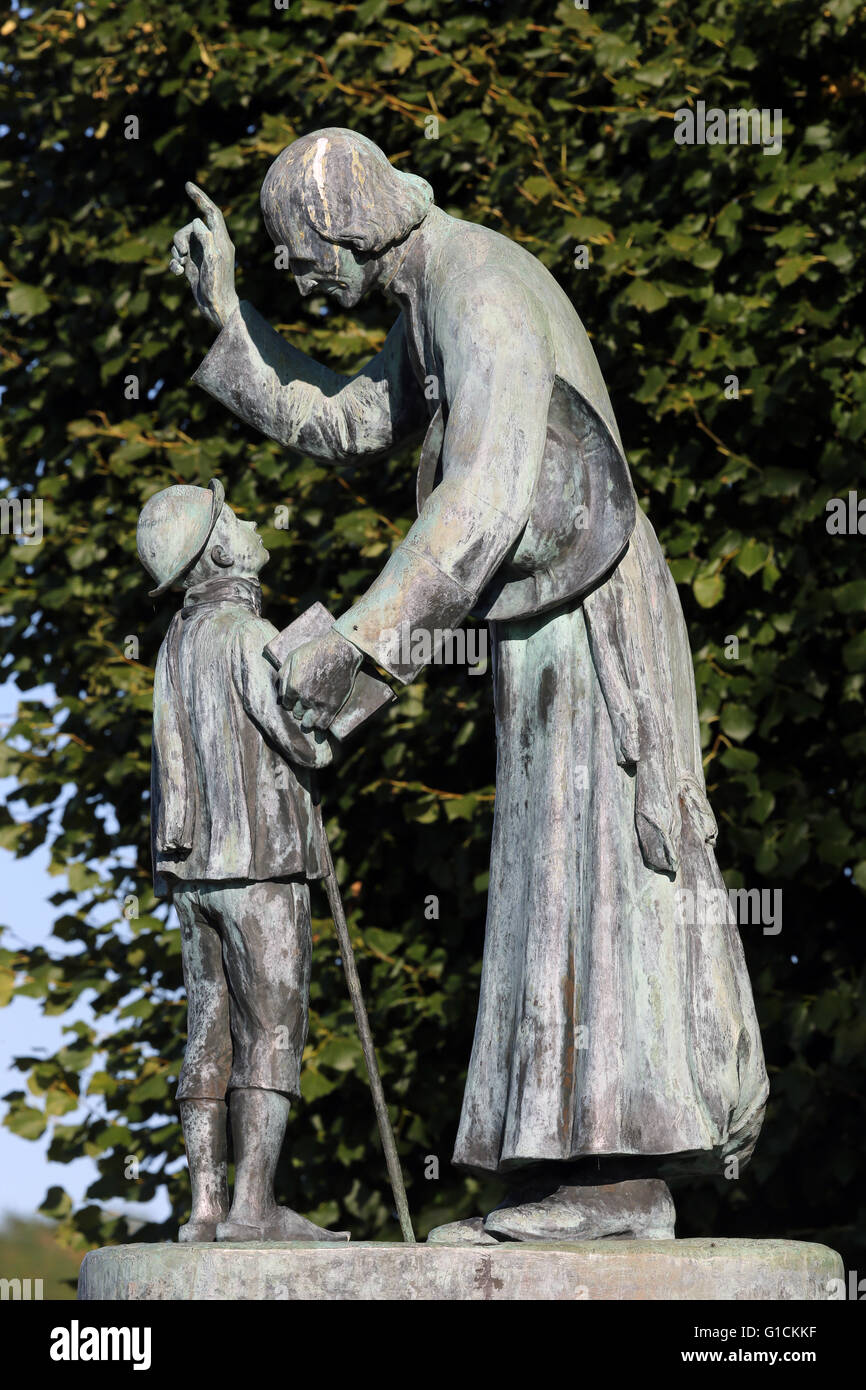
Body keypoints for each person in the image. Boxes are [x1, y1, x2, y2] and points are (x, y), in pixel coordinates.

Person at [168, 129, 768, 1241]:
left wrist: (352, 648)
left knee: (596, 889)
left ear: (344, 226)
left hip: (592, 620)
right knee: (553, 891)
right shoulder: (424, 298)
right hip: (546, 623)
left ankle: (619, 1185)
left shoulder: (478, 285)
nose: (295, 278)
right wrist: (232, 322)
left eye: (295, 258)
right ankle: (576, 1175)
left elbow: (480, 504)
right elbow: (348, 420)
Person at [137, 478, 347, 1243]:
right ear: (217, 543)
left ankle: (203, 1208)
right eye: (237, 514)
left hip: (192, 872)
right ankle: (253, 1207)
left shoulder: (174, 645)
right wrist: (326, 722)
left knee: (206, 1028)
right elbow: (298, 736)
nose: (252, 521)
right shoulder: (249, 632)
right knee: (272, 1029)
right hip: (261, 861)